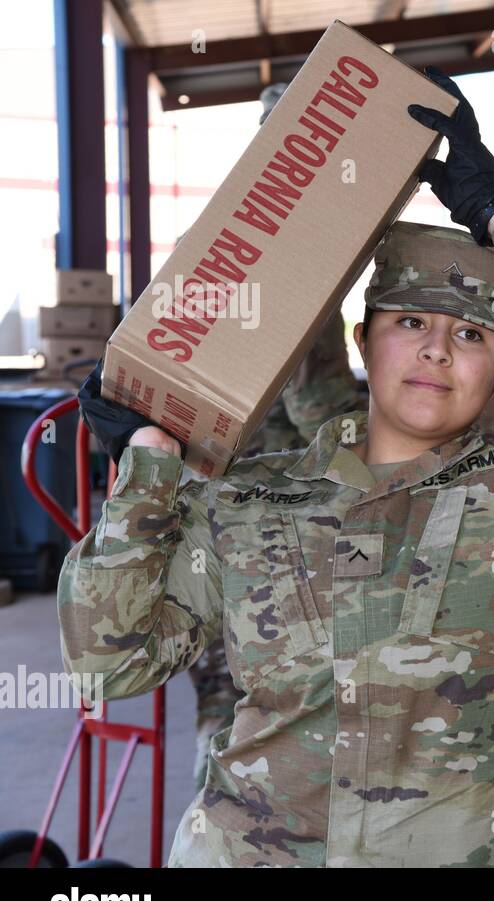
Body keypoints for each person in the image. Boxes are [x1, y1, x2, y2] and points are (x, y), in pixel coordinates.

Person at [59, 67, 494, 867]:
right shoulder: (248, 499)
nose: (435, 349)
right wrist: (144, 473)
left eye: (471, 336)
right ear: (363, 340)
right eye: (412, 321)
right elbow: (109, 661)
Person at [183, 83, 365, 793]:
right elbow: (323, 412)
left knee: (228, 714)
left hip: (214, 511)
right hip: (262, 528)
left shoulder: (229, 237)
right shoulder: (291, 256)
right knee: (251, 729)